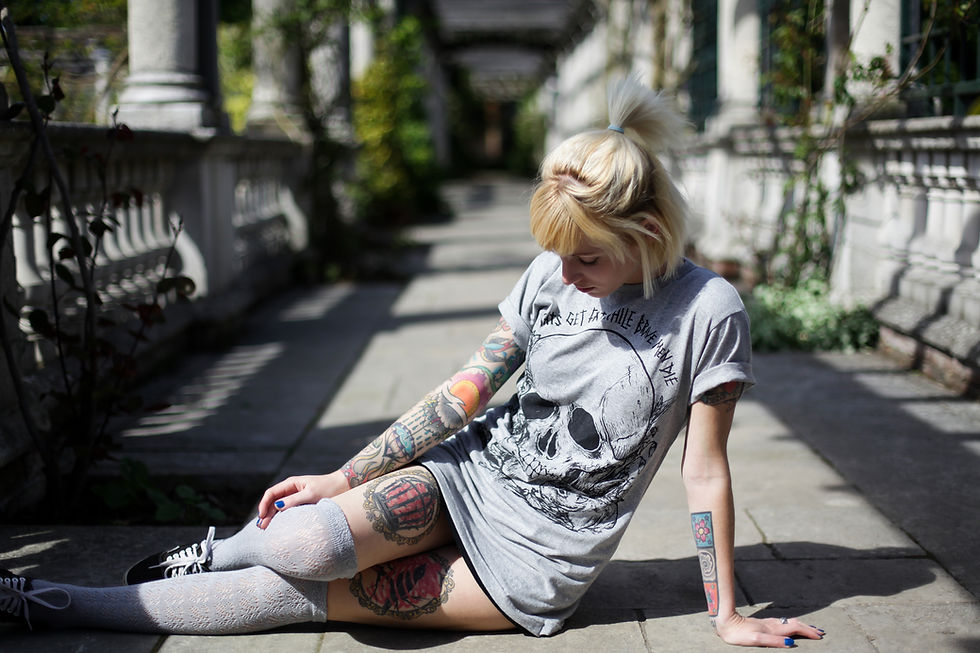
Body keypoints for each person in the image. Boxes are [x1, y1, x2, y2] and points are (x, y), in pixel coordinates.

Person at [1, 78, 824, 648]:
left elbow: (704, 469)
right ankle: (224, 547)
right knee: (302, 542)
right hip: (468, 474)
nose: (565, 272)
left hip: (534, 560)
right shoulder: (551, 273)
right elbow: (465, 392)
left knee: (297, 598)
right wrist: (340, 477)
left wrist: (726, 614)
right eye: (558, 254)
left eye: (589, 258)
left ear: (647, 232)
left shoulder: (709, 311)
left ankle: (50, 604)